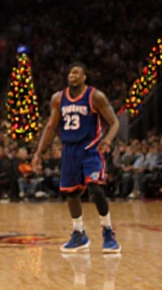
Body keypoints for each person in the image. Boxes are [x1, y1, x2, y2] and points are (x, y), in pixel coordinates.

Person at [32, 63, 122, 254]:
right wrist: (38, 153)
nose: (71, 75)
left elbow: (114, 122)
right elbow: (50, 127)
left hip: (91, 148)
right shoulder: (58, 99)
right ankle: (79, 233)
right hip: (69, 150)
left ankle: (108, 232)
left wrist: (107, 140)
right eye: (70, 72)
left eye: (76, 72)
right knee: (71, 193)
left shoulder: (95, 96)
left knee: (96, 188)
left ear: (84, 77)